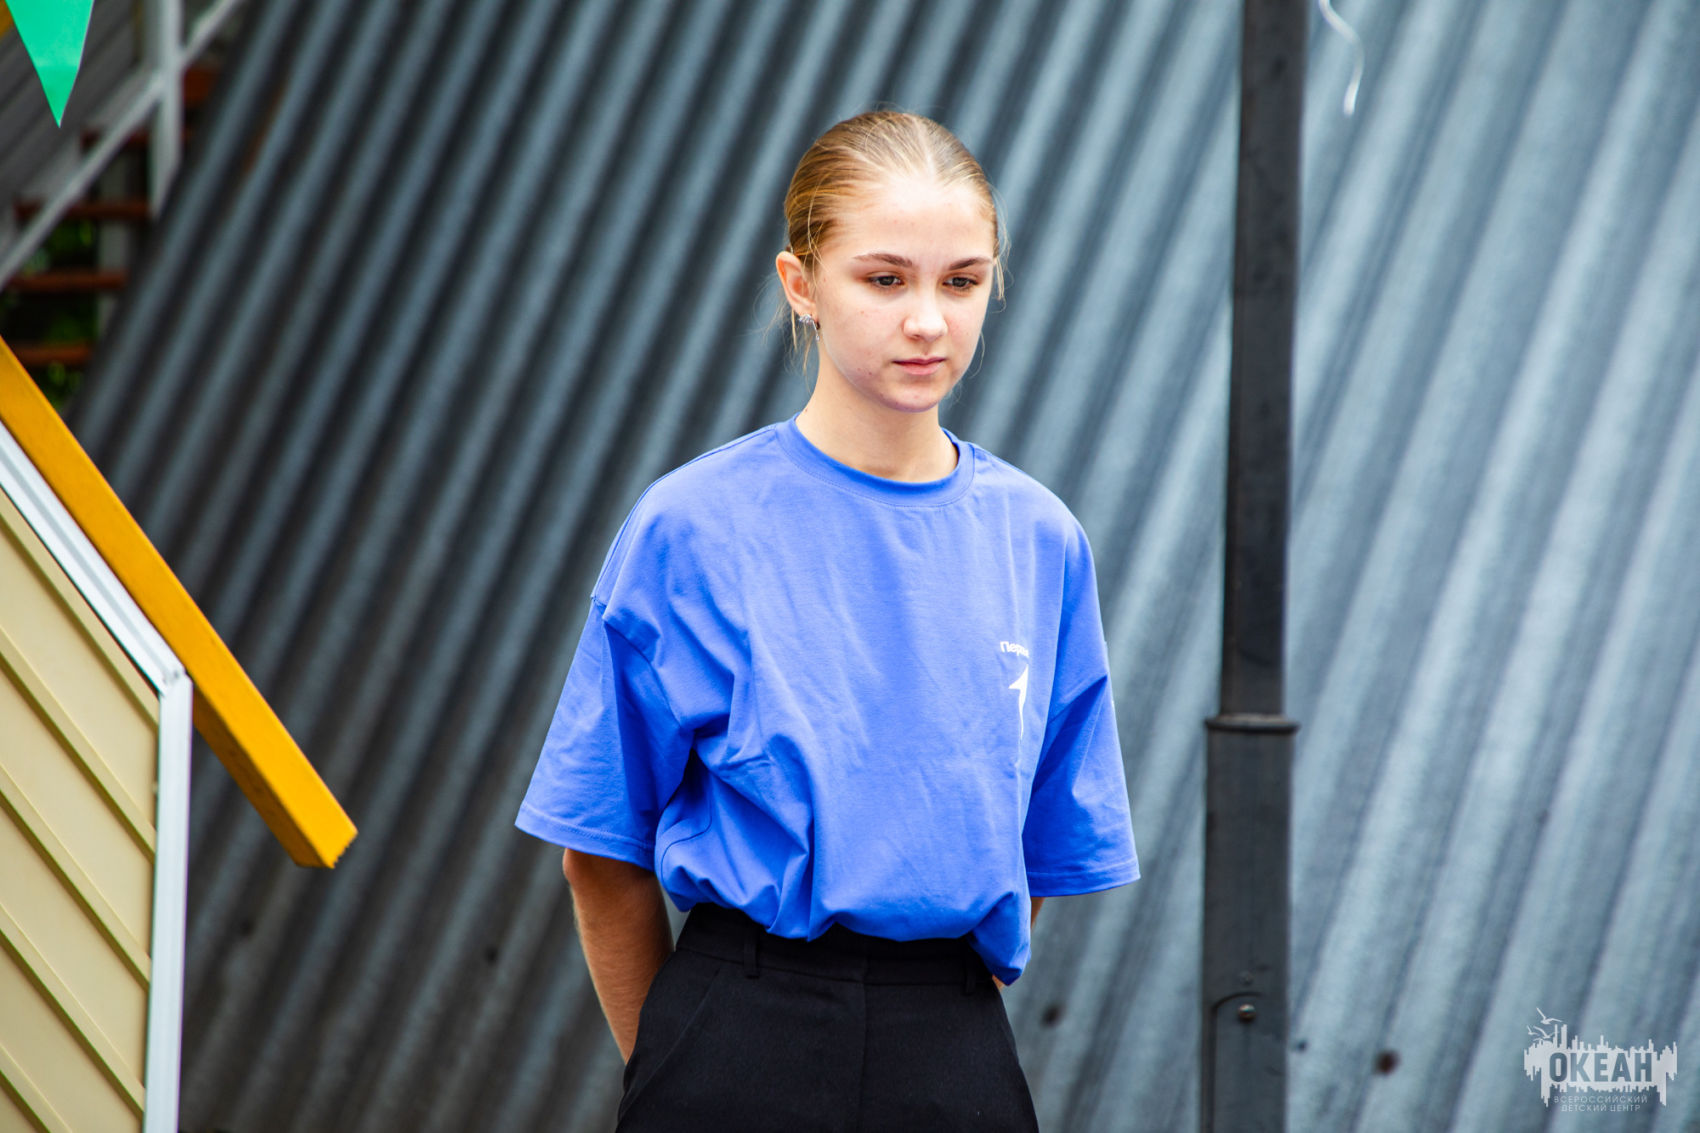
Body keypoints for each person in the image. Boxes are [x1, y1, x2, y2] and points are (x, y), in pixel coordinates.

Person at [516, 108, 1139, 1132]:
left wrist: (930, 1002)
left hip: (954, 1044)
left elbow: (1044, 842)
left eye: (961, 281)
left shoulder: (1039, 540)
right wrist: (674, 1058)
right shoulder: (691, 527)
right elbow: (598, 846)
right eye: (884, 279)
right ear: (799, 284)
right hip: (734, 1034)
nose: (927, 320)